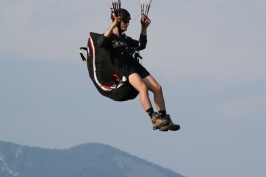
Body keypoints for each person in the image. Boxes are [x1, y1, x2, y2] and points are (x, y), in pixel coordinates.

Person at [97, 8, 180, 131]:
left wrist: (144, 27)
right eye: (125, 21)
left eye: (128, 21)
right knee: (143, 88)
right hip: (125, 68)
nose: (127, 24)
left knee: (158, 88)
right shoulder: (110, 38)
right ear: (117, 21)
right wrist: (113, 24)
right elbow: (100, 42)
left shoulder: (126, 39)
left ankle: (164, 119)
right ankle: (153, 118)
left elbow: (142, 45)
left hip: (135, 65)